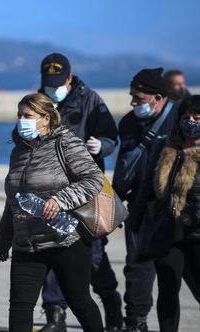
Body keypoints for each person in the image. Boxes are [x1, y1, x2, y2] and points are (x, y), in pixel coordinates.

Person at [0, 92, 104, 332]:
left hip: (66, 239)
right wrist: (3, 237)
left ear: (46, 119)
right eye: (19, 115)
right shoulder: (19, 152)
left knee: (79, 301)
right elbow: (14, 199)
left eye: (28, 115)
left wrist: (61, 199)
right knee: (20, 309)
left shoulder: (66, 143)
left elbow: (94, 180)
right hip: (27, 244)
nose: (22, 120)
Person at [37, 52, 121, 331]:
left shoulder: (91, 100)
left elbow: (110, 134)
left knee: (93, 255)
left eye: (58, 81)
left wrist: (103, 146)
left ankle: (111, 302)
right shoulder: (39, 102)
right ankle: (55, 315)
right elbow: (21, 136)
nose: (53, 86)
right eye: (48, 81)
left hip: (86, 192)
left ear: (70, 78)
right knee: (53, 250)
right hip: (51, 191)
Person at [113, 68, 179, 331]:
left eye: (139, 98)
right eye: (132, 96)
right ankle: (136, 321)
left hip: (173, 209)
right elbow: (124, 166)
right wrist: (115, 204)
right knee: (137, 268)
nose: (133, 103)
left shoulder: (180, 118)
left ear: (159, 97)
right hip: (139, 207)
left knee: (172, 274)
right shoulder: (128, 123)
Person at [127, 95, 200, 331]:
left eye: (197, 118)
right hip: (168, 231)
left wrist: (193, 214)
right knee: (168, 288)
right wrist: (135, 219)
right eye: (186, 117)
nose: (190, 122)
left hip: (197, 233)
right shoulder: (164, 146)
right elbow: (148, 185)